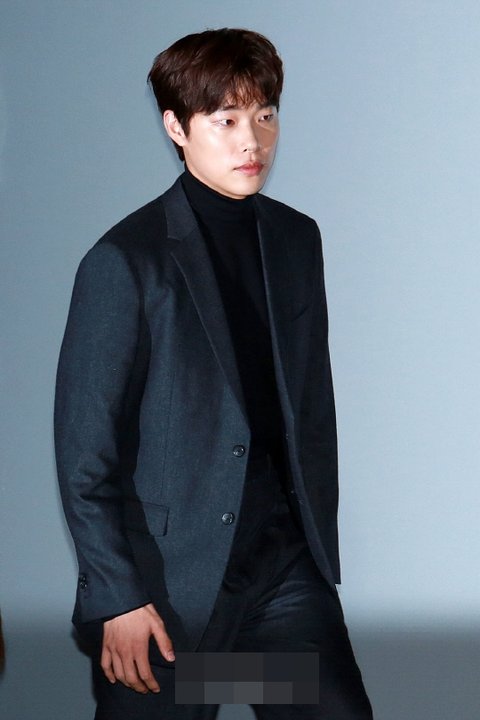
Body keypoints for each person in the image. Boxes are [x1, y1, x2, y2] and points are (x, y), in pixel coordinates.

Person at [55, 28, 373, 719]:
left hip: (283, 571)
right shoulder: (125, 261)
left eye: (265, 115)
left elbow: (308, 405)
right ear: (177, 128)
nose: (251, 141)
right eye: (225, 120)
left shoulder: (296, 240)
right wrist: (117, 597)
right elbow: (85, 452)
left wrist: (313, 543)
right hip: (167, 590)